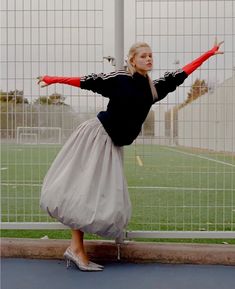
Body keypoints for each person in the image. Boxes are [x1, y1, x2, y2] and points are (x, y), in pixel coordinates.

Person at [37, 38, 223, 272]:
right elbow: (88, 81)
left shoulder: (154, 89)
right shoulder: (120, 79)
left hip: (112, 144)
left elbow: (181, 74)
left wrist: (209, 53)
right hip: (97, 136)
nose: (148, 58)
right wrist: (52, 79)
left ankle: (75, 248)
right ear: (132, 59)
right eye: (143, 55)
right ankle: (77, 249)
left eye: (151, 55)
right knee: (83, 191)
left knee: (96, 196)